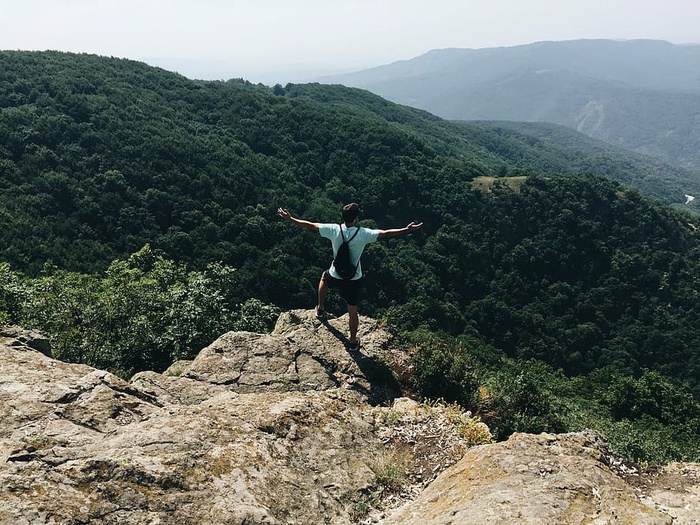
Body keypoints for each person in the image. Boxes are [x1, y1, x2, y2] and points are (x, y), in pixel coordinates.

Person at [277, 202, 423, 350]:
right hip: (353, 278)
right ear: (356, 218)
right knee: (352, 311)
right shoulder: (363, 234)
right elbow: (385, 233)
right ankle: (352, 342)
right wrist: (406, 230)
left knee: (324, 278)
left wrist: (291, 219)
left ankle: (320, 309)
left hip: (335, 273)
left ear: (343, 216)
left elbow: (310, 225)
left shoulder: (334, 229)